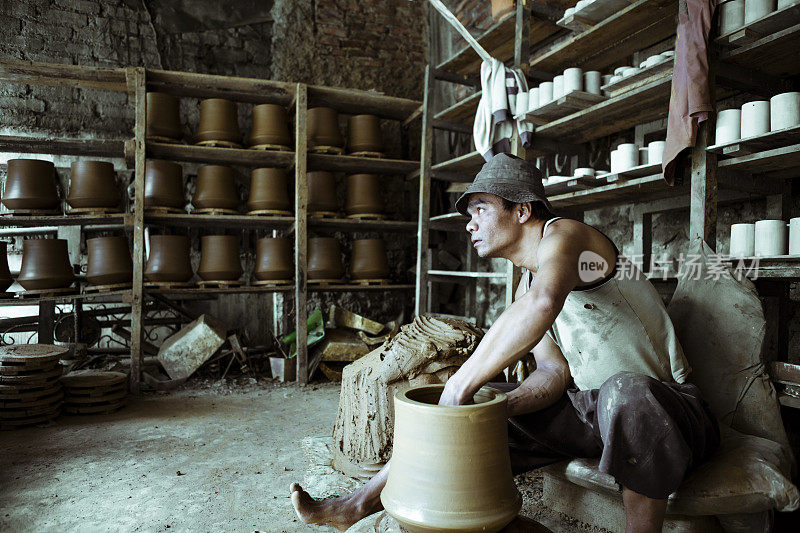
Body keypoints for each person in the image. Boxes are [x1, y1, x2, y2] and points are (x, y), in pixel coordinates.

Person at [291, 153, 720, 532]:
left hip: (669, 411)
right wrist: (493, 407)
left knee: (625, 391)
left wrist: (461, 384)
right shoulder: (526, 286)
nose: (469, 223)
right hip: (592, 412)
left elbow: (544, 302)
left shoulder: (569, 237)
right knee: (475, 410)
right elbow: (554, 375)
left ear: (522, 211)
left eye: (480, 209)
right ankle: (358, 503)